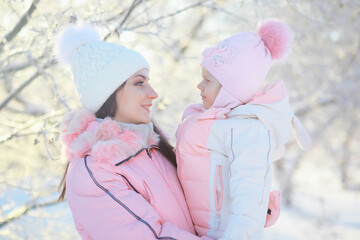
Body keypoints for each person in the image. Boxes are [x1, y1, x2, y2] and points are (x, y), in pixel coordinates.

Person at [56, 24, 212, 240]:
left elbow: (200, 206)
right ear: (108, 94)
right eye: (139, 83)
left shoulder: (154, 148)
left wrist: (247, 209)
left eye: (149, 82)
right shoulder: (92, 172)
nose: (153, 93)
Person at [175, 20, 312, 239]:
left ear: (231, 90)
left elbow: (249, 193)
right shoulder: (213, 120)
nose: (199, 86)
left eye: (207, 81)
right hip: (198, 229)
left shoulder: (248, 130)